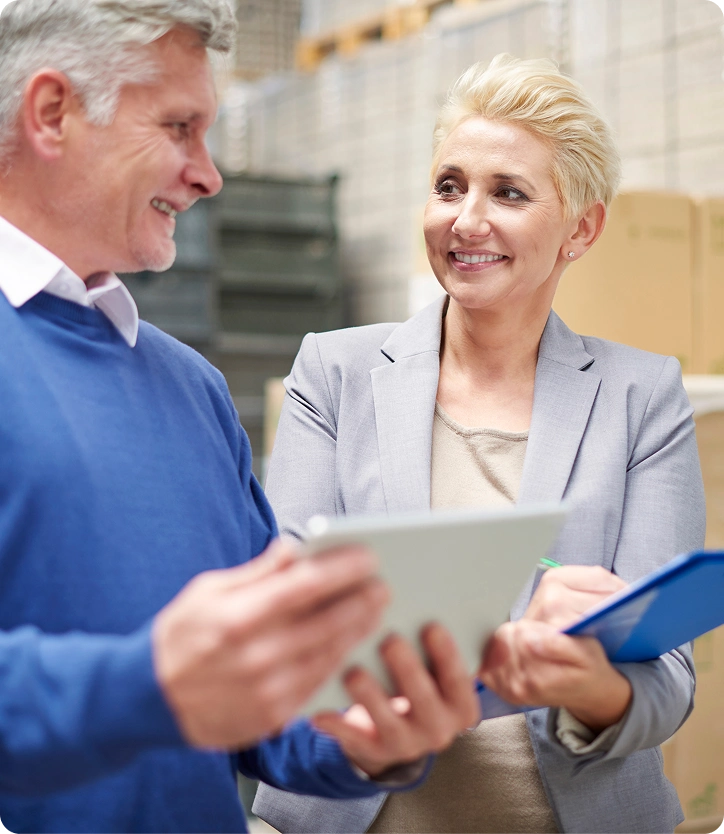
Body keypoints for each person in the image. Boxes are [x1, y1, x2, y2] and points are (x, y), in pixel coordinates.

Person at [0, 2, 482, 832]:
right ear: (53, 114)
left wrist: (369, 736)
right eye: (179, 127)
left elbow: (276, 705)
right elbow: (171, 683)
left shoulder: (190, 391)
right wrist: (150, 683)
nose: (207, 175)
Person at [253, 54, 705, 834]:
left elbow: (666, 679)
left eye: (509, 193)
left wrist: (587, 679)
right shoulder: (334, 373)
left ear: (581, 229)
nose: (466, 221)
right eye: (449, 185)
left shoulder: (643, 398)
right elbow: (284, 619)